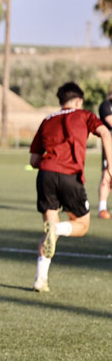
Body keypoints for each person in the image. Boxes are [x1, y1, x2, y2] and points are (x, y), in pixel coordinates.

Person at [29, 82, 112, 292]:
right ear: (78, 101)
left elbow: (33, 160)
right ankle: (56, 229)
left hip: (45, 175)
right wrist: (111, 167)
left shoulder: (47, 120)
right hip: (69, 175)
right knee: (82, 225)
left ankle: (41, 279)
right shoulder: (84, 115)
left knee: (50, 230)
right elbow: (105, 133)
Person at [96, 84, 112, 219]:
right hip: (110, 146)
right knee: (107, 175)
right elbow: (110, 121)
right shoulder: (106, 105)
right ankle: (102, 208)